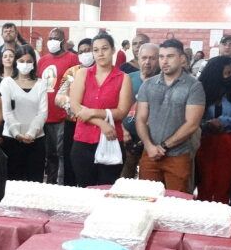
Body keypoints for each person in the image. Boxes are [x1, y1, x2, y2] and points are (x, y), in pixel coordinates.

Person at [135, 38, 205, 192]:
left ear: (181, 59)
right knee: (147, 200)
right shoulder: (148, 84)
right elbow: (140, 119)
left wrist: (163, 146)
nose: (164, 61)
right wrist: (149, 146)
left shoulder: (194, 86)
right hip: (150, 153)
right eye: (161, 56)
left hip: (178, 156)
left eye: (170, 56)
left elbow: (192, 124)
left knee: (177, 205)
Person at [70, 32, 133, 187]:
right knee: (85, 189)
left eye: (104, 48)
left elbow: (122, 111)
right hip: (83, 141)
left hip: (111, 142)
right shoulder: (83, 73)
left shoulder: (123, 78)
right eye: (96, 50)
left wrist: (91, 112)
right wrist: (101, 123)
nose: (100, 53)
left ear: (113, 50)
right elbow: (75, 106)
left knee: (106, 189)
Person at [195, 55, 231, 203]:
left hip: (229, 141)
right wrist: (207, 123)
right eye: (227, 73)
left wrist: (223, 121)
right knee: (205, 180)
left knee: (225, 181)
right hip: (205, 140)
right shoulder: (202, 91)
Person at [0, 44, 48, 182]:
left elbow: (43, 112)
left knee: (35, 182)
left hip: (36, 139)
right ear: (16, 62)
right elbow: (7, 112)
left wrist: (31, 133)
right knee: (13, 183)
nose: (25, 64)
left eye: (28, 61)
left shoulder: (41, 84)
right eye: (21, 61)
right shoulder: (7, 83)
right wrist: (17, 133)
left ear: (34, 63)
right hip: (12, 139)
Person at [36, 28, 78, 184]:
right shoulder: (42, 60)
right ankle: (50, 184)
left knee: (61, 154)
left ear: (63, 42)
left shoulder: (73, 59)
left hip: (62, 115)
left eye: (56, 38)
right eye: (50, 38)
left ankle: (62, 185)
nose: (52, 41)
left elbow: (75, 85)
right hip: (44, 114)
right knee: (49, 154)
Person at [54, 38, 96, 186]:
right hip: (72, 123)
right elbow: (60, 96)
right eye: (81, 52)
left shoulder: (103, 71)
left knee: (92, 166)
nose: (85, 54)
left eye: (88, 50)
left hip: (96, 124)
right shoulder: (72, 72)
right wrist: (73, 106)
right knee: (70, 161)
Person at [121, 42, 160, 178]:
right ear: (138, 58)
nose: (147, 62)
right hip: (128, 139)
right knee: (124, 180)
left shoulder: (164, 81)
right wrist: (122, 130)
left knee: (148, 182)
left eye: (152, 58)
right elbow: (115, 106)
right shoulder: (128, 79)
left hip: (153, 142)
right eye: (144, 58)